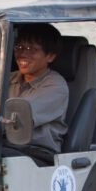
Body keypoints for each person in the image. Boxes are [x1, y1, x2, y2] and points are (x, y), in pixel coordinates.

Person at [7, 23, 69, 155]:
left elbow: (19, 117)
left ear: (50, 56)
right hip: (4, 146)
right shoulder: (8, 78)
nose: (22, 54)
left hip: (37, 152)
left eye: (31, 49)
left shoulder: (55, 86)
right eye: (19, 47)